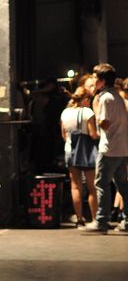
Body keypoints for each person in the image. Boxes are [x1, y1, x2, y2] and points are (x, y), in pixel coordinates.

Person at [81, 63, 128, 234]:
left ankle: (101, 221)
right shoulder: (116, 97)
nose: (93, 80)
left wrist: (94, 108)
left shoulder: (105, 98)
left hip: (109, 148)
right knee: (123, 185)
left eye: (95, 77)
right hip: (121, 147)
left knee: (101, 183)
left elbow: (105, 124)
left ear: (101, 80)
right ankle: (126, 221)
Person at [60, 86, 99, 227]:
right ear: (85, 99)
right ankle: (95, 219)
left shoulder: (65, 113)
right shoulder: (88, 112)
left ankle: (79, 219)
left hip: (70, 151)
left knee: (75, 186)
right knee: (92, 187)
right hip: (86, 152)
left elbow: (64, 135)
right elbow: (93, 134)